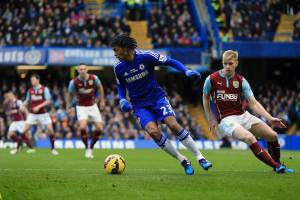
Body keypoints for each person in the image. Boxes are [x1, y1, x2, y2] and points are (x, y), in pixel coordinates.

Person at [111, 34, 212, 175]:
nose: (115, 54)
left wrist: (186, 70)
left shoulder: (146, 56)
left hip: (157, 98)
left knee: (173, 125)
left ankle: (200, 157)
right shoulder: (118, 68)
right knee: (153, 132)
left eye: (116, 50)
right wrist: (122, 99)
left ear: (126, 48)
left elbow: (170, 61)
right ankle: (182, 160)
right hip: (139, 105)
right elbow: (121, 86)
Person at [202, 50, 293, 173]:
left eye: (230, 63)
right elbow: (205, 98)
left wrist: (270, 118)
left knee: (273, 135)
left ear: (236, 63)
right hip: (226, 119)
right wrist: (210, 119)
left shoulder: (241, 80)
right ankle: (276, 166)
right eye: (225, 63)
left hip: (243, 115)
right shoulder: (211, 79)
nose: (227, 66)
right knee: (249, 138)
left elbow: (253, 103)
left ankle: (278, 164)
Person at [67, 64, 105, 159]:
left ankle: (91, 147)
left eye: (84, 69)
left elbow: (100, 88)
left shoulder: (94, 78)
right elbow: (70, 95)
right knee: (83, 127)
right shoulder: (73, 82)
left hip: (93, 106)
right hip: (81, 107)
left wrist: (102, 100)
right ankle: (87, 147)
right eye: (81, 69)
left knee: (100, 129)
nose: (83, 71)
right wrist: (69, 106)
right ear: (78, 70)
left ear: (87, 69)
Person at [21, 74, 59, 155]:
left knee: (51, 131)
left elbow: (48, 101)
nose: (32, 82)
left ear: (38, 80)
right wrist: (23, 105)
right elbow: (27, 100)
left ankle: (53, 149)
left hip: (43, 114)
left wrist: (39, 106)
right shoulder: (30, 90)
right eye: (31, 80)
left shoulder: (44, 89)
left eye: (33, 80)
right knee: (23, 132)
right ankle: (31, 148)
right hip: (32, 114)